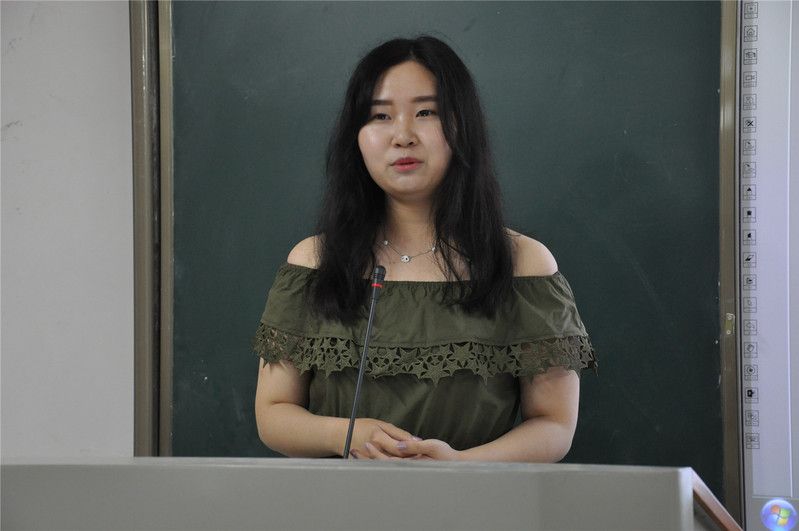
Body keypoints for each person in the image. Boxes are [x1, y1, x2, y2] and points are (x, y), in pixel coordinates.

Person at [253, 36, 596, 461]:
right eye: (380, 115)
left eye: (426, 112)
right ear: (355, 137)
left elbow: (553, 423)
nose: (403, 136)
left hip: (474, 498)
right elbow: (273, 412)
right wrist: (347, 434)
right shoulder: (313, 262)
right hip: (339, 498)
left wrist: (460, 466)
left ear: (462, 126)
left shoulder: (522, 264)